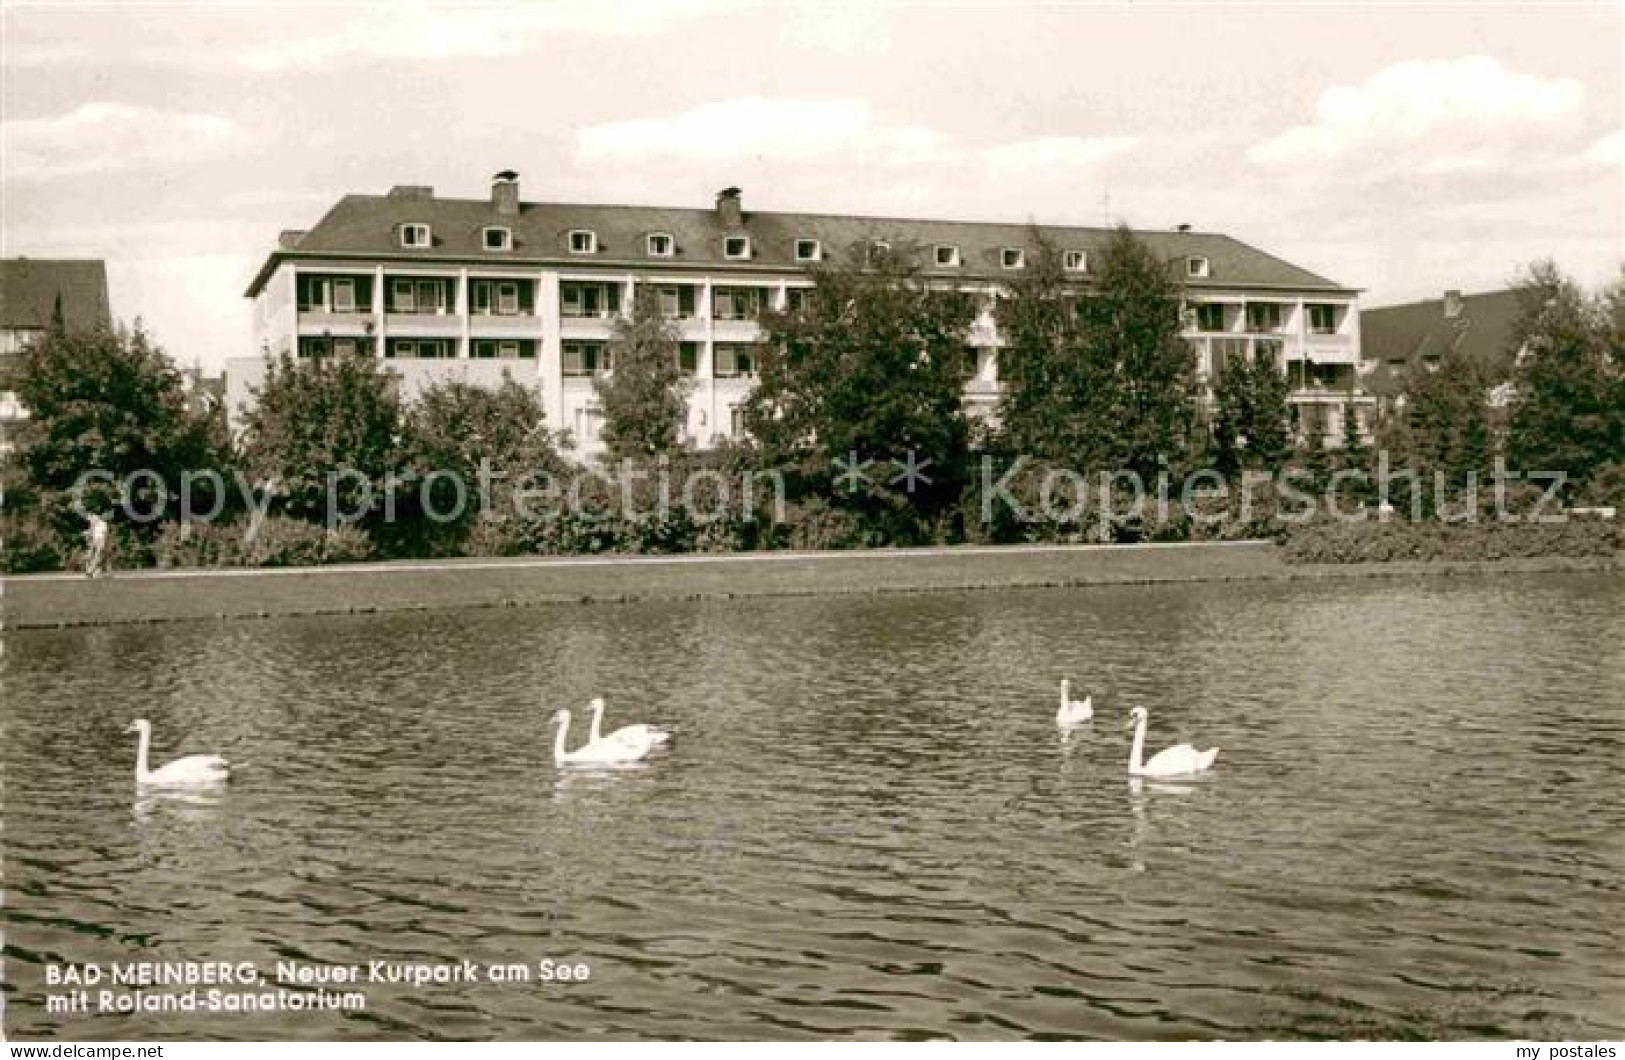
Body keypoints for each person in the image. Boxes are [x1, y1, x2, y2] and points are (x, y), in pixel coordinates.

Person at [84, 512, 110, 578]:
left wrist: (103, 544)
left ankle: (90, 571)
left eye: (91, 518)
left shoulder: (103, 524)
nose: (90, 521)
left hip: (101, 542)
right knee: (92, 557)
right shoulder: (93, 525)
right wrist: (87, 533)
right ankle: (106, 572)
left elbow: (105, 535)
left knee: (97, 556)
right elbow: (91, 534)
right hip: (94, 542)